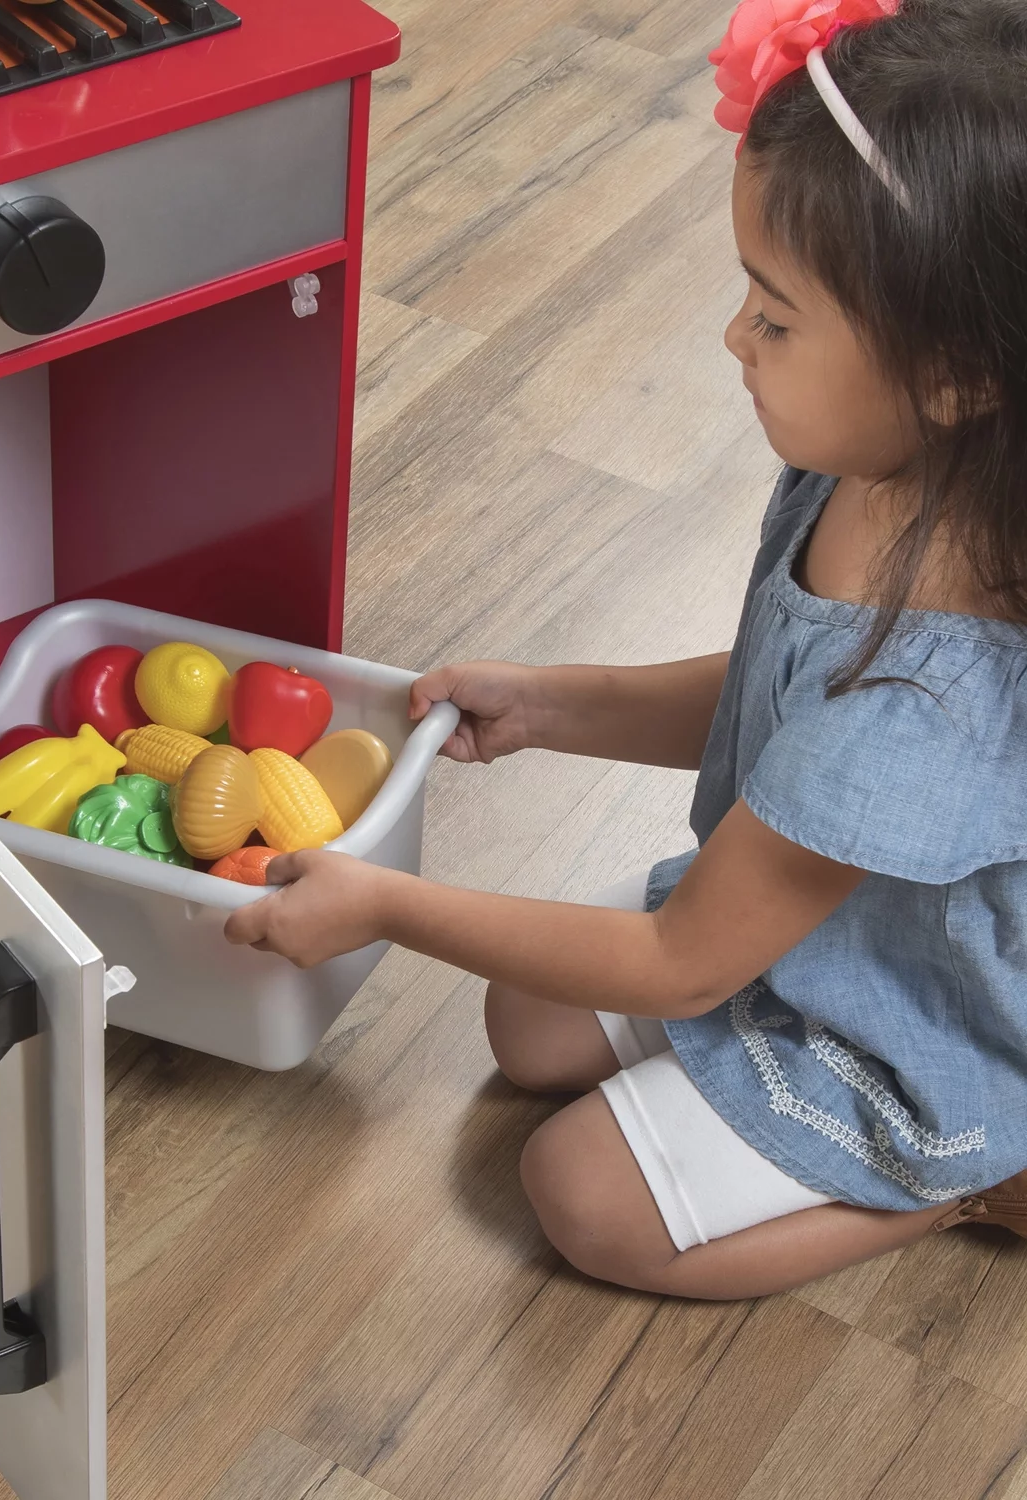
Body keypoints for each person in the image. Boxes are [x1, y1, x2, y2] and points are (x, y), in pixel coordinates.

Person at [224, 0, 1027, 1299]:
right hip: (791, 929)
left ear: (951, 375)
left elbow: (682, 960)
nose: (732, 340)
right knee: (527, 1025)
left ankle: (959, 1178)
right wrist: (553, 705)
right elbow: (775, 694)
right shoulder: (875, 468)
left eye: (774, 317)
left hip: (905, 1029)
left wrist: (384, 904)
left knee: (583, 1198)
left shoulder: (932, 695)